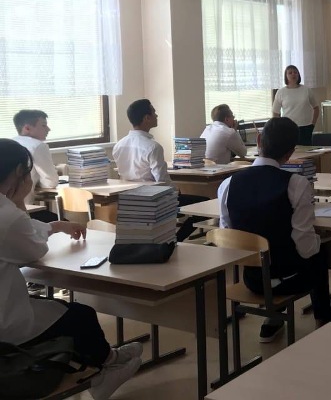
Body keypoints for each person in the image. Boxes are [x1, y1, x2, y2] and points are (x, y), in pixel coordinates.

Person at [0, 139, 142, 400]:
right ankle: (105, 370)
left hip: (6, 306)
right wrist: (19, 200)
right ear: (18, 172)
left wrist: (54, 226)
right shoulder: (6, 214)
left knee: (63, 310)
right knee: (81, 315)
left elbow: (22, 237)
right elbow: (32, 249)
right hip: (6, 324)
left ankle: (110, 359)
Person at [218, 117, 330, 343]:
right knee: (319, 253)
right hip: (289, 279)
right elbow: (305, 247)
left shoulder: (228, 184)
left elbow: (228, 235)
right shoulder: (296, 184)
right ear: (290, 153)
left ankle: (273, 319)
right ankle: (323, 322)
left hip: (251, 279)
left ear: (259, 140)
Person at [113, 99, 204, 241]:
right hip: (154, 199)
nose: (157, 115)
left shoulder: (119, 145)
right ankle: (176, 239)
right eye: (154, 112)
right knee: (203, 204)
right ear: (146, 118)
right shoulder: (153, 147)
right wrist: (176, 190)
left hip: (130, 200)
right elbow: (162, 181)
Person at [11, 110, 60, 222]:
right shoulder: (37, 146)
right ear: (27, 128)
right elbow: (51, 182)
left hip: (7, 210)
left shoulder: (10, 143)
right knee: (65, 223)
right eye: (43, 125)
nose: (48, 129)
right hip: (24, 211)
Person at [271, 65, 319, 146]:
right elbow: (275, 112)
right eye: (290, 73)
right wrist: (278, 127)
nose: (293, 74)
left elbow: (316, 108)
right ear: (286, 76)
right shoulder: (281, 92)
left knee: (305, 150)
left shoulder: (306, 90)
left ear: (298, 75)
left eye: (295, 72)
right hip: (287, 128)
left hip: (305, 127)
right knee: (289, 150)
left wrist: (313, 124)